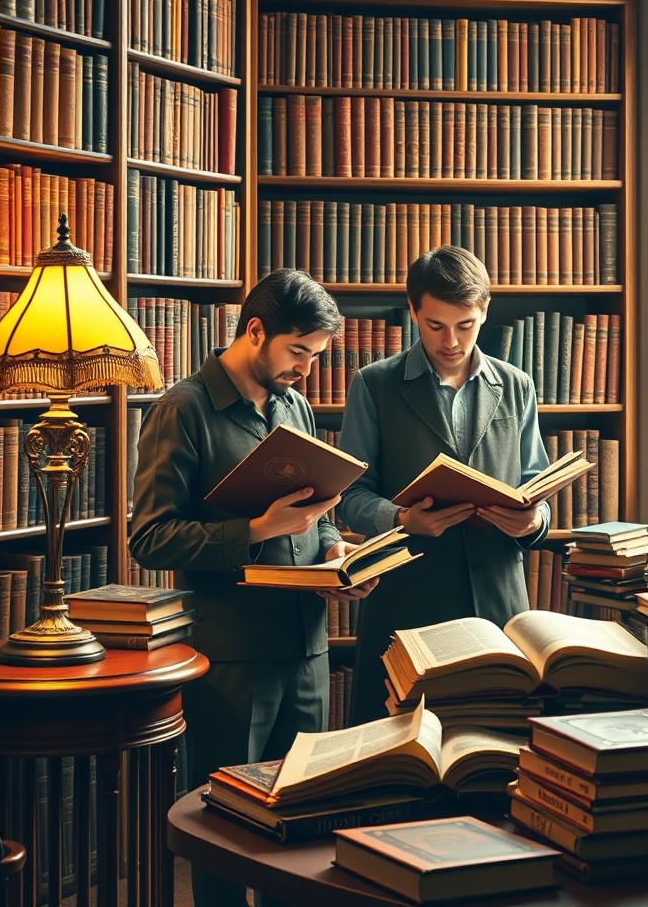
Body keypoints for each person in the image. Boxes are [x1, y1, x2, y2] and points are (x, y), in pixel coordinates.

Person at [129, 268, 374, 907]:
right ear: (255, 330)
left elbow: (313, 512)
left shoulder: (291, 404)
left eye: (316, 357)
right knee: (227, 833)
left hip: (306, 646)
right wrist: (257, 529)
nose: (307, 371)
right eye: (299, 353)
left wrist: (335, 552)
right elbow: (150, 538)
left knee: (301, 827)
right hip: (231, 658)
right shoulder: (183, 409)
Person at [338, 246, 550, 724]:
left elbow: (536, 478)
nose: (451, 340)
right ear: (413, 311)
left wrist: (534, 519)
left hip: (497, 600)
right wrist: (399, 518)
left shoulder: (517, 386)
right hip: (407, 597)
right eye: (435, 326)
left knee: (493, 751)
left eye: (465, 325)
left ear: (484, 312)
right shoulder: (374, 385)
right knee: (397, 752)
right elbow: (351, 497)